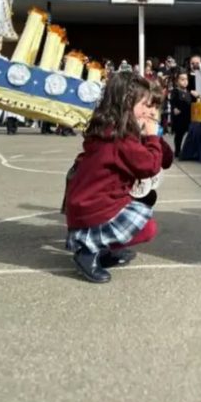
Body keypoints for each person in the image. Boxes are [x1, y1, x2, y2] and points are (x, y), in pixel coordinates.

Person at [65, 73, 169, 283]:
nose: (149, 112)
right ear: (127, 104)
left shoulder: (112, 129)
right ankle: (87, 252)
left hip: (90, 201)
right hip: (94, 206)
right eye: (144, 105)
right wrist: (152, 137)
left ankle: (100, 250)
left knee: (146, 199)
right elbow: (149, 166)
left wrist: (153, 137)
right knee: (147, 228)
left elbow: (164, 159)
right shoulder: (120, 138)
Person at [169, 71, 192, 157]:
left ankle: (187, 150)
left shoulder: (188, 92)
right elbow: (172, 101)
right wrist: (174, 108)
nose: (185, 81)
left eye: (186, 79)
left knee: (189, 134)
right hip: (179, 117)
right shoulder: (175, 91)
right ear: (177, 81)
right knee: (179, 135)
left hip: (188, 116)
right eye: (182, 79)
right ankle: (177, 150)